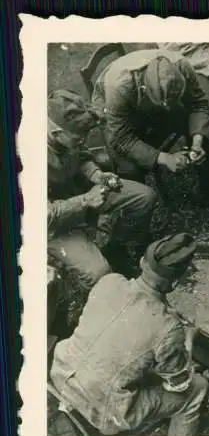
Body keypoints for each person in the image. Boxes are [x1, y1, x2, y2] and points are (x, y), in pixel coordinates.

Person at [50, 234, 209, 436]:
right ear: (176, 283)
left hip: (61, 374)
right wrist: (188, 338)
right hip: (102, 411)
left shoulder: (109, 281)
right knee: (197, 389)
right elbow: (179, 385)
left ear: (142, 261)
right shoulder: (169, 327)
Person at [91, 46, 209, 219]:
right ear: (145, 89)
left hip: (157, 108)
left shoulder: (182, 65)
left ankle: (208, 192)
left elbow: (197, 103)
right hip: (125, 116)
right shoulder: (118, 86)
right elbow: (121, 138)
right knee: (129, 168)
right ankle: (136, 219)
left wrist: (197, 142)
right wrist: (164, 158)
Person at [47, 89, 158, 290]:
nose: (82, 141)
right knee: (100, 273)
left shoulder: (67, 135)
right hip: (53, 226)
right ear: (56, 132)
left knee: (144, 197)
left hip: (80, 192)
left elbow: (81, 156)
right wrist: (84, 201)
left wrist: (96, 175)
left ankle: (115, 247)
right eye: (78, 139)